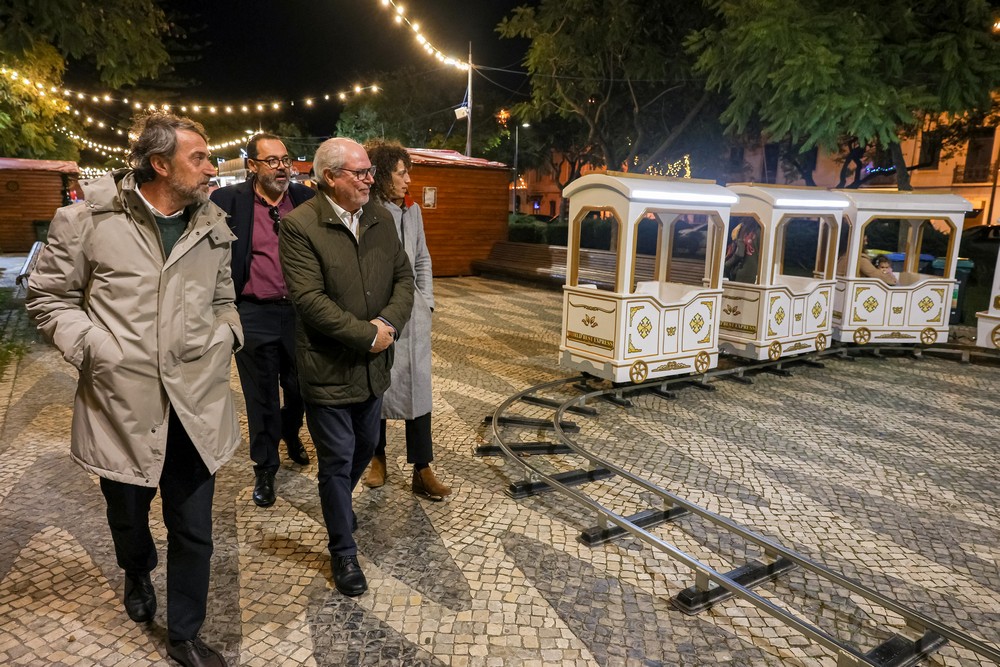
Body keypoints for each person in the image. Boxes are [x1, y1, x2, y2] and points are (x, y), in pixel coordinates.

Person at [26, 112, 239, 667]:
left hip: (196, 403)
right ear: (160, 164)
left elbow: (224, 297)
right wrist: (99, 350)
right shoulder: (87, 220)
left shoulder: (212, 224)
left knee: (194, 529)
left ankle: (185, 634)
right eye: (199, 157)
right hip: (121, 403)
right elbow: (48, 298)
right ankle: (137, 568)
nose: (211, 167)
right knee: (127, 514)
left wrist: (227, 335)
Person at [278, 137, 414, 597]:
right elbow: (309, 300)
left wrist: (388, 324)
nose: (370, 179)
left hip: (373, 366)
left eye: (369, 171)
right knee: (336, 460)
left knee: (367, 444)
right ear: (329, 177)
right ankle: (343, 550)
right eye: (360, 172)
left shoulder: (379, 217)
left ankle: (338, 506)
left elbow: (404, 277)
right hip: (329, 366)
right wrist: (366, 335)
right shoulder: (299, 225)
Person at [210, 133, 315, 508]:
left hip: (300, 312)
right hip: (253, 311)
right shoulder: (227, 200)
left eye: (285, 160)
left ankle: (290, 430)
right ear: (252, 165)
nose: (282, 167)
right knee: (261, 396)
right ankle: (265, 466)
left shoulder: (305, 199)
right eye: (272, 161)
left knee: (302, 387)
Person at [362, 141, 451, 500]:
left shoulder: (412, 210)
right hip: (381, 314)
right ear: (384, 175)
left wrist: (427, 302)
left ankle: (422, 467)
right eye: (401, 173)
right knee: (379, 386)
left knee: (418, 388)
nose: (408, 180)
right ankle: (377, 458)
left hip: (414, 316)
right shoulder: (368, 210)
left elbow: (423, 258)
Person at [724, 219, 759, 283]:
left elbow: (739, 253)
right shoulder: (763, 229)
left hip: (742, 273)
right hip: (757, 275)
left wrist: (726, 265)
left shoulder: (742, 228)